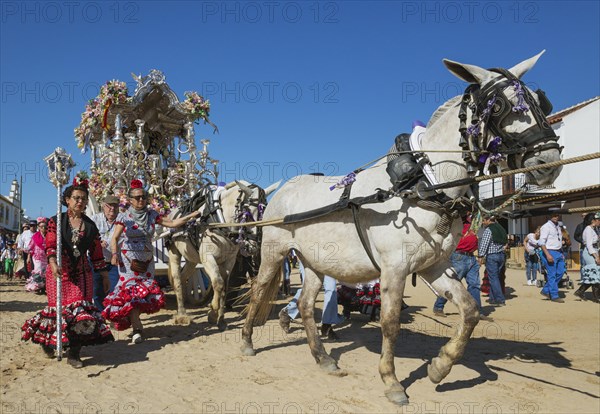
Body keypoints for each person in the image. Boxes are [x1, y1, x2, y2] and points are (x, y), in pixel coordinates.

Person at [21, 174, 114, 368]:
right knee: (59, 313)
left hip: (82, 274)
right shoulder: (56, 221)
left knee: (81, 313)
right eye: (76, 198)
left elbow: (96, 252)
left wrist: (104, 275)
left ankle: (74, 352)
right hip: (59, 273)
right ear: (67, 200)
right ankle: (50, 342)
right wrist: (53, 262)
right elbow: (50, 244)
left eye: (83, 198)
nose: (80, 202)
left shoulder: (90, 226)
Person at [102, 179, 201, 344]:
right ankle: (137, 328)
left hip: (147, 260)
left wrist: (192, 215)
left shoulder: (152, 215)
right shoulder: (124, 217)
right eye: (137, 197)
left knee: (143, 293)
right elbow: (115, 238)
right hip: (128, 261)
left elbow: (172, 223)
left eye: (143, 197)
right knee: (131, 292)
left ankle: (135, 322)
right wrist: (114, 254)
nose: (141, 200)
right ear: (130, 200)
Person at [433, 213, 483, 316]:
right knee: (452, 284)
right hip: (458, 256)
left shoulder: (472, 222)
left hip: (471, 256)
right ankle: (438, 306)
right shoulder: (456, 221)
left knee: (475, 285)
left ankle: (476, 311)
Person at [279, 273, 344, 340]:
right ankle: (288, 311)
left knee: (331, 289)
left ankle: (327, 325)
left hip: (329, 264)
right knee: (308, 288)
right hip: (310, 263)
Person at [91, 194, 122, 310]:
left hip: (115, 262)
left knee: (114, 290)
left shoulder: (122, 220)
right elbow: (88, 237)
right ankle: (101, 314)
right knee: (97, 291)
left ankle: (112, 314)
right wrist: (97, 243)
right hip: (98, 262)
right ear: (104, 206)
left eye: (115, 206)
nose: (112, 209)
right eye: (109, 206)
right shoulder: (95, 219)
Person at [478, 214, 507, 306]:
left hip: (492, 256)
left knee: (493, 278)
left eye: (483, 220)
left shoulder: (488, 230)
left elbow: (484, 244)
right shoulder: (501, 228)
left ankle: (500, 299)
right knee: (496, 278)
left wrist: (480, 256)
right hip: (501, 255)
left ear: (488, 220)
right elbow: (506, 242)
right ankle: (493, 298)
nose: (483, 222)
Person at [538, 212, 566, 303]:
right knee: (552, 274)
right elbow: (541, 242)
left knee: (561, 272)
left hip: (558, 252)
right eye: (554, 215)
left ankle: (546, 290)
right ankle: (554, 295)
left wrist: (561, 252)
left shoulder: (558, 226)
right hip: (549, 251)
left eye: (557, 215)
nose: (556, 217)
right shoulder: (546, 227)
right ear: (549, 216)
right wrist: (547, 254)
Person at [573, 212, 600, 302]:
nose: (599, 221)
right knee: (595, 273)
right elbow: (589, 245)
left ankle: (580, 291)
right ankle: (595, 297)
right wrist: (596, 256)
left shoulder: (594, 229)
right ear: (593, 221)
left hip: (594, 251)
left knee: (595, 274)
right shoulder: (588, 229)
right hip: (589, 252)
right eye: (598, 220)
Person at [25, 217, 48, 294]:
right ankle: (36, 287)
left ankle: (44, 287)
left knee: (46, 272)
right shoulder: (35, 236)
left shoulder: (49, 236)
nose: (43, 228)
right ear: (39, 227)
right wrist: (28, 257)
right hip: (37, 258)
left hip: (47, 258)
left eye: (45, 226)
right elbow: (30, 248)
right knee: (38, 271)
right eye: (41, 227)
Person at [573, 212, 589, 281]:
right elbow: (575, 236)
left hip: (593, 247)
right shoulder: (580, 226)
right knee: (583, 264)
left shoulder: (593, 225)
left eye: (586, 215)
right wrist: (582, 241)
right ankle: (583, 278)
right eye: (583, 216)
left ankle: (590, 277)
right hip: (583, 247)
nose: (584, 217)